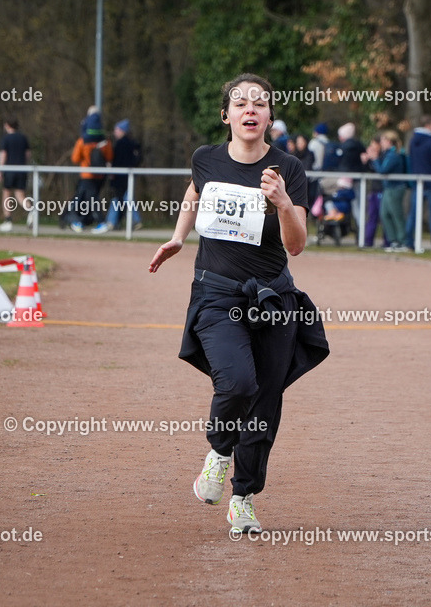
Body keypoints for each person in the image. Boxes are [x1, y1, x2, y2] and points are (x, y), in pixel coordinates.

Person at [148, 73, 329, 534]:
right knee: (239, 383)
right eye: (240, 101)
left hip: (273, 297)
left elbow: (297, 245)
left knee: (265, 402)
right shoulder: (205, 159)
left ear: (270, 116)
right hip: (217, 293)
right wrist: (176, 237)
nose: (250, 108)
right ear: (225, 114)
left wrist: (285, 204)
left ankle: (244, 499)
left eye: (260, 103)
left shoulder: (288, 168)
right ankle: (219, 452)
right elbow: (194, 194)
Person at [94, 119, 142, 234]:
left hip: (121, 177)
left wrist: (112, 171)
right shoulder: (132, 144)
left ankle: (112, 222)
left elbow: (117, 161)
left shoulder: (121, 144)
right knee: (125, 197)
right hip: (126, 176)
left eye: (117, 130)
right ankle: (132, 220)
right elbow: (137, 159)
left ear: (122, 131)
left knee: (119, 198)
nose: (115, 132)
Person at [407, 115, 431, 251]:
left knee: (414, 212)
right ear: (429, 125)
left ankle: (409, 240)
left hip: (418, 180)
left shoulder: (413, 141)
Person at [369, 131, 407, 252]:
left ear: (389, 142)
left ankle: (402, 241)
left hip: (395, 188)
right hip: (388, 188)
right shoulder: (387, 154)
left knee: (396, 215)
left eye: (383, 140)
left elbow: (382, 170)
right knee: (384, 214)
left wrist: (374, 159)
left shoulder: (394, 155)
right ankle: (393, 241)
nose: (381, 143)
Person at [0, 118, 30, 231]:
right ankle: (31, 211)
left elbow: (3, 155)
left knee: (6, 194)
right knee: (20, 194)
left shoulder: (6, 139)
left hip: (10, 169)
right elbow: (27, 154)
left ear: (7, 125)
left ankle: (8, 220)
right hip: (21, 169)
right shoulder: (23, 138)